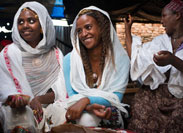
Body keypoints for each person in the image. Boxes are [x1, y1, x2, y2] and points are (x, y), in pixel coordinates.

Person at [124, 0, 183, 132]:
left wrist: (172, 60)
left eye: (164, 16)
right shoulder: (160, 41)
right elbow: (136, 57)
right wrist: (127, 29)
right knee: (140, 104)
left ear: (177, 15)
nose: (161, 21)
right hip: (157, 95)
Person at [0, 2, 68, 132]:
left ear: (42, 25)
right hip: (17, 108)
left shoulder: (56, 54)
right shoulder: (8, 54)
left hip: (47, 105)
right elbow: (4, 90)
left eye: (31, 21)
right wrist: (25, 100)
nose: (25, 26)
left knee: (63, 114)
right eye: (20, 22)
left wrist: (38, 100)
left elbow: (60, 90)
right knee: (21, 115)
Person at [63, 6, 130, 128]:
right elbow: (72, 96)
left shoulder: (120, 58)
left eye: (88, 27)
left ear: (101, 27)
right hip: (78, 107)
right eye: (79, 31)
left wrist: (86, 100)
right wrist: (87, 107)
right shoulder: (69, 60)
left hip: (109, 108)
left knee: (88, 120)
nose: (83, 34)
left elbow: (116, 97)